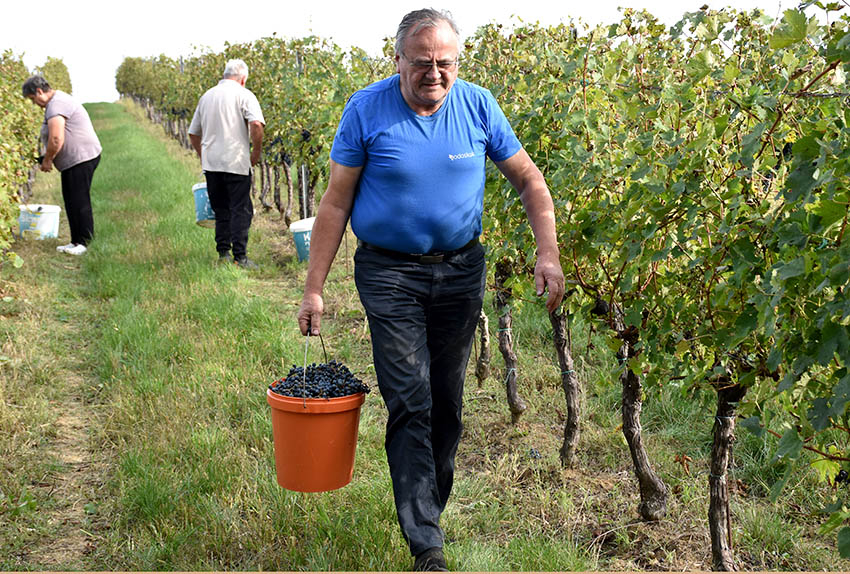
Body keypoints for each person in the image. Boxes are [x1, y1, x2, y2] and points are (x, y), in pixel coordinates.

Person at [297, 8, 565, 571]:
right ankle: (428, 547)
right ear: (397, 60)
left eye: (445, 63)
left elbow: (529, 179)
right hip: (388, 273)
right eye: (422, 63)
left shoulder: (478, 105)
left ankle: (426, 511)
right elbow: (336, 202)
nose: (435, 74)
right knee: (410, 399)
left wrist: (549, 252)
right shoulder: (366, 109)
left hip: (461, 271)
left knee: (446, 403)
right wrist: (313, 288)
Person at [189, 59, 265, 268]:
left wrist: (203, 155)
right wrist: (255, 152)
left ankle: (223, 254)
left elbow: (193, 132)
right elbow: (257, 124)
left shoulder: (207, 96)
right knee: (240, 209)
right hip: (236, 161)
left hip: (212, 164)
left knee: (221, 209)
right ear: (243, 78)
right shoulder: (244, 95)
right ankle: (240, 257)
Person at [22, 76, 102, 256]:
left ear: (39, 92)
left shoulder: (56, 105)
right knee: (71, 199)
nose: (34, 104)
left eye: (33, 99)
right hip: (74, 160)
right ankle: (75, 242)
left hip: (81, 158)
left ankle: (84, 243)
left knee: (80, 200)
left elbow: (57, 138)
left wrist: (48, 160)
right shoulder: (56, 102)